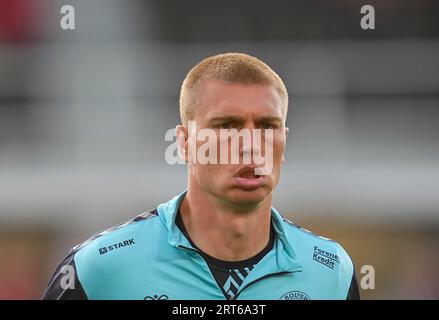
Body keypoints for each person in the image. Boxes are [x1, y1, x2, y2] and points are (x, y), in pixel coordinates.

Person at [42, 52, 359, 300]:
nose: (251, 145)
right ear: (184, 142)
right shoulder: (97, 269)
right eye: (226, 126)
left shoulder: (331, 271)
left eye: (266, 126)